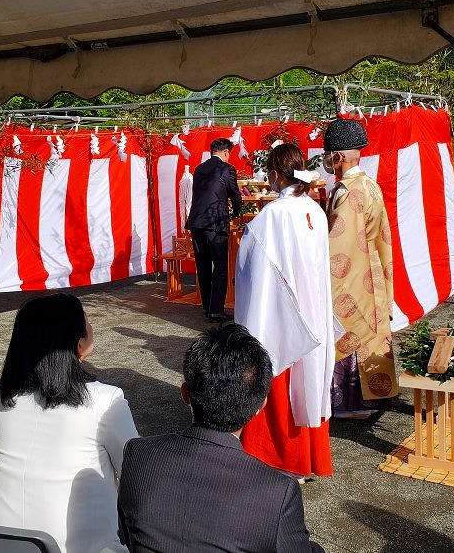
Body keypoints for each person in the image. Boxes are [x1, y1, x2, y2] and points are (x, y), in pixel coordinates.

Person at [117, 324, 324, 553]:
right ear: (260, 405)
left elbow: (127, 533)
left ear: (185, 394)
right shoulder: (277, 492)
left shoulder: (138, 454)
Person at [0, 294, 138, 553]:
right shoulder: (105, 401)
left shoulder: (6, 399)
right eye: (87, 322)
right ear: (79, 342)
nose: (91, 327)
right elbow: (137, 475)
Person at [233, 143, 335, 479]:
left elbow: (252, 270)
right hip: (314, 313)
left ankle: (280, 461)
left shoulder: (271, 216)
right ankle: (307, 460)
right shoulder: (315, 211)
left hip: (280, 316)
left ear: (275, 174)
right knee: (309, 383)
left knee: (279, 380)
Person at [321, 118, 398, 419]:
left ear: (337, 157)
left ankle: (352, 404)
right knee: (372, 329)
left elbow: (338, 244)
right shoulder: (370, 185)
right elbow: (383, 238)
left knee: (350, 327)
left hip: (352, 273)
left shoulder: (348, 192)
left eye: (328, 155)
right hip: (373, 272)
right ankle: (375, 398)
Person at [184, 138, 242, 321]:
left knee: (203, 266)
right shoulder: (227, 169)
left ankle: (207, 307)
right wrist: (237, 213)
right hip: (215, 222)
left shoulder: (199, 169)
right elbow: (235, 195)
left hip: (196, 222)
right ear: (226, 152)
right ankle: (216, 310)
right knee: (220, 266)